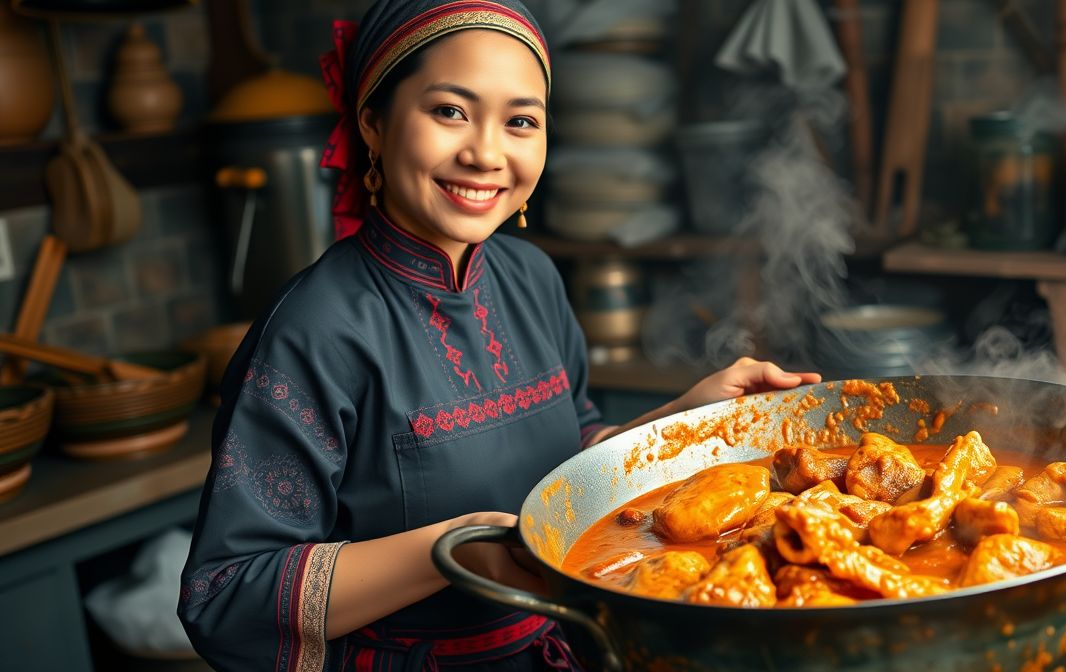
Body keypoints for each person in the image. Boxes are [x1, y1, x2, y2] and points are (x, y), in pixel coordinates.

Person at [177, 1, 820, 670]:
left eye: (520, 122)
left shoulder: (531, 277)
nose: (486, 152)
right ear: (373, 120)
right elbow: (225, 598)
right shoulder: (315, 328)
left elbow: (567, 465)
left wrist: (681, 421)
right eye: (450, 111)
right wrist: (451, 551)